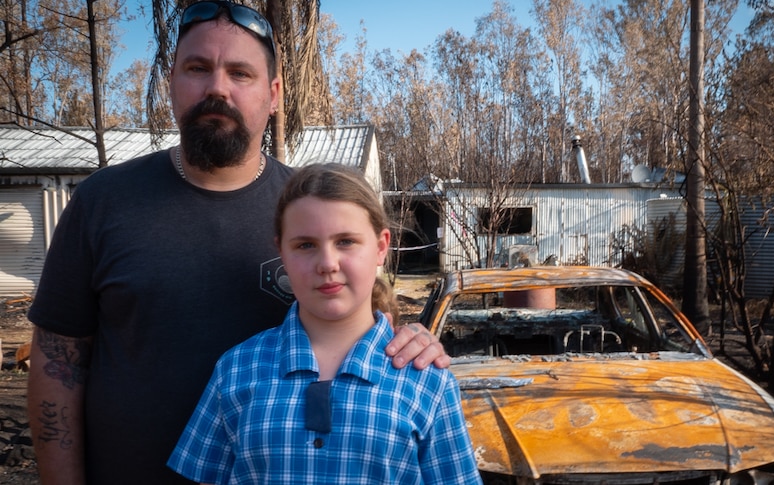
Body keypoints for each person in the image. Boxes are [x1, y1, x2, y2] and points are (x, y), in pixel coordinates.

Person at [25, 2, 448, 485]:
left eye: (240, 73)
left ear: (273, 96)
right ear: (172, 85)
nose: (217, 88)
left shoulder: (309, 215)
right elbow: (58, 363)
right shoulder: (102, 201)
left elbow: (365, 320)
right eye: (197, 68)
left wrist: (414, 340)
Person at [168, 163, 481, 484]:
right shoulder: (235, 370)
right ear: (281, 252)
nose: (327, 264)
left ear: (381, 247)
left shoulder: (428, 382)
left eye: (345, 241)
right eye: (306, 245)